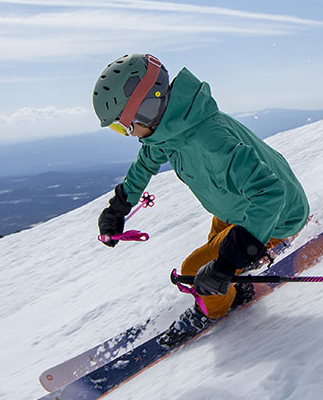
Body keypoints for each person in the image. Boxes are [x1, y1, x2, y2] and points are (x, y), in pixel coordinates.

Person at [93, 53, 310, 344]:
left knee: (194, 270)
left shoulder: (210, 140)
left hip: (278, 216)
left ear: (146, 108)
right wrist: (118, 208)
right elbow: (146, 161)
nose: (126, 135)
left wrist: (227, 262)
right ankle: (239, 268)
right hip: (236, 208)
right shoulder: (172, 129)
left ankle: (218, 308)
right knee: (215, 251)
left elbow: (271, 194)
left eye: (122, 127)